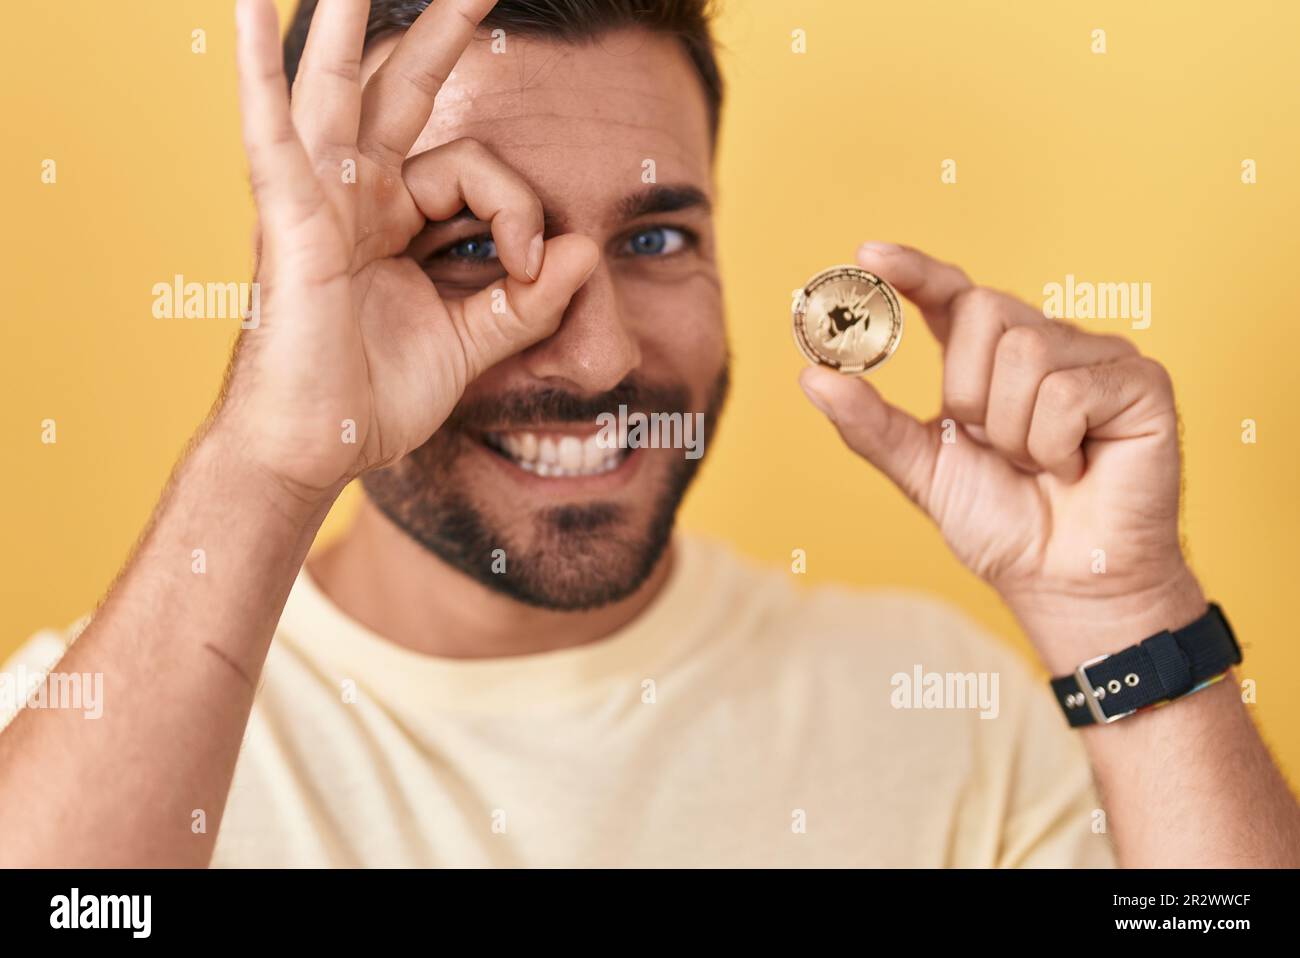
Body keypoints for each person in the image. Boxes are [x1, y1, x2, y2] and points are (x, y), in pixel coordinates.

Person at [1, 0, 1297, 867]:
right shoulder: (109, 725)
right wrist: (269, 454)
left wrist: (1127, 610)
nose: (606, 351)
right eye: (466, 249)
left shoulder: (947, 713)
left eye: (659, 238)